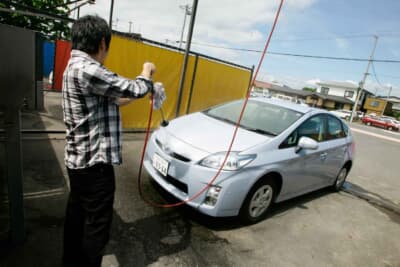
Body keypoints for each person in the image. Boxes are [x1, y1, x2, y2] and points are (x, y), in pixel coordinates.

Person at [61, 15, 161, 267]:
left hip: (78, 163)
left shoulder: (73, 66)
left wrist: (139, 92)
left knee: (76, 220)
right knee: (97, 228)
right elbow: (134, 87)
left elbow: (115, 98)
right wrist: (147, 73)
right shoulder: (88, 69)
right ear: (103, 43)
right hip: (94, 167)